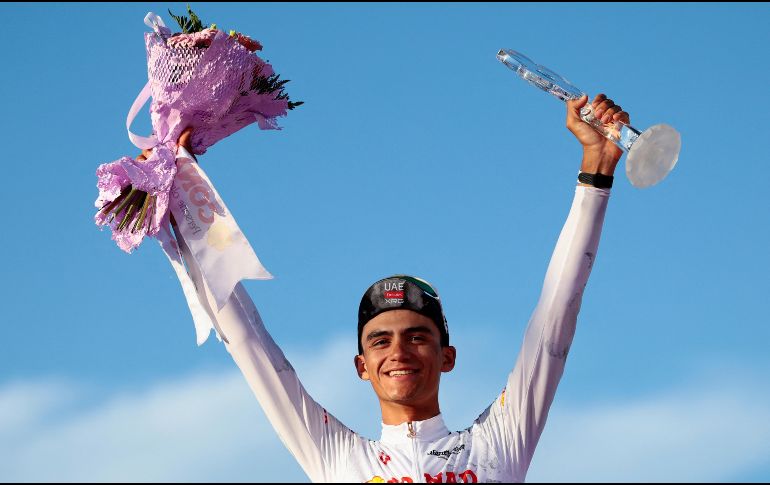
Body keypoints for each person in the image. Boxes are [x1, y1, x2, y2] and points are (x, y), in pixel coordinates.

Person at [155, 93, 628, 483]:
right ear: (362, 366)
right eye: (380, 340)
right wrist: (180, 202)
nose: (398, 351)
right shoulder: (336, 457)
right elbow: (249, 345)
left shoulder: (497, 443)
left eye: (418, 336)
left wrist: (598, 167)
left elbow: (556, 316)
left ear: (448, 355)